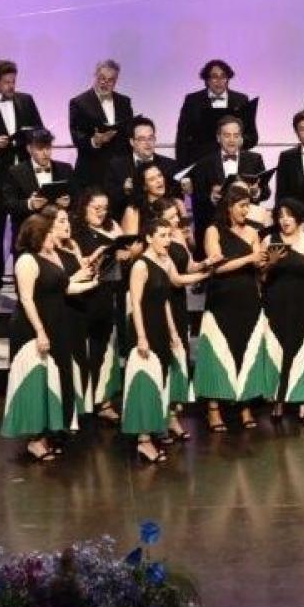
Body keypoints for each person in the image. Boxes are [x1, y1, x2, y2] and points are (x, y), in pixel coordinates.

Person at [1, 209, 96, 461]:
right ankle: (35, 439)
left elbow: (66, 287)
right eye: (49, 232)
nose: (55, 235)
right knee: (37, 382)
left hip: (58, 325)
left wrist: (95, 283)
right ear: (37, 235)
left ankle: (48, 433)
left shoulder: (53, 256)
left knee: (55, 380)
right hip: (33, 329)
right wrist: (40, 332)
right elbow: (27, 299)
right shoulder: (27, 260)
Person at [123, 217, 207, 464]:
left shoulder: (165, 259)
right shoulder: (140, 265)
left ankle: (155, 428)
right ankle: (143, 440)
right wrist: (141, 336)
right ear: (149, 237)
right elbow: (135, 303)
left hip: (161, 325)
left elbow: (175, 286)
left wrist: (172, 332)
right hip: (144, 327)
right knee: (144, 382)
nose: (167, 241)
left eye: (169, 235)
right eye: (162, 235)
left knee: (160, 380)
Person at [196, 184, 273, 431]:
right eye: (241, 206)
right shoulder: (213, 231)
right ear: (229, 207)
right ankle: (214, 409)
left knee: (245, 349)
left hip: (248, 298)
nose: (245, 211)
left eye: (248, 206)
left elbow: (258, 267)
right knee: (219, 352)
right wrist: (249, 258)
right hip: (222, 300)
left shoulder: (252, 232)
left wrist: (266, 263)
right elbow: (216, 266)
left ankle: (245, 404)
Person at [0, 59, 46, 301]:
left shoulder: (26, 100)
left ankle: (22, 280)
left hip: (23, 177)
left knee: (23, 232)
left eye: (13, 81)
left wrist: (27, 137)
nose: (11, 86)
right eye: (6, 82)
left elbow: (40, 131)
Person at [71, 188, 138, 418]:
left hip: (111, 293)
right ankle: (83, 401)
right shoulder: (77, 233)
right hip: (87, 295)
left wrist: (128, 255)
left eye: (104, 208)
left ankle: (105, 401)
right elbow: (79, 266)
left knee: (107, 348)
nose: (101, 213)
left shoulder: (113, 227)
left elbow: (123, 251)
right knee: (87, 349)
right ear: (84, 207)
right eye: (96, 208)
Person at [263, 198, 304, 422]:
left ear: (298, 217)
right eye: (280, 216)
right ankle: (278, 399)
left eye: (288, 215)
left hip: (303, 304)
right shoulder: (268, 241)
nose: (284, 220)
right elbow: (260, 277)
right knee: (278, 350)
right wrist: (269, 263)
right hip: (276, 304)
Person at [190, 114, 271, 235]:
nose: (232, 140)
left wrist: (256, 192)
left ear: (241, 138)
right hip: (218, 227)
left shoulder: (255, 159)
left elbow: (266, 192)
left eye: (236, 136)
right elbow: (197, 196)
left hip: (249, 226)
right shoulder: (204, 163)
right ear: (218, 137)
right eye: (227, 136)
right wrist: (211, 197)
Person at [175, 58, 259, 166]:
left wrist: (237, 142)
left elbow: (252, 136)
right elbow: (182, 138)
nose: (219, 81)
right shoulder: (192, 100)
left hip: (234, 162)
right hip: (202, 164)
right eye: (214, 76)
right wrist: (181, 168)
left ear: (228, 79)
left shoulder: (241, 100)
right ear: (207, 80)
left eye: (223, 76)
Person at [69, 59, 135, 190]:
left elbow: (129, 134)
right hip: (92, 170)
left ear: (116, 81)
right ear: (95, 76)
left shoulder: (124, 102)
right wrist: (95, 141)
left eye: (111, 80)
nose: (105, 83)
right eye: (102, 78)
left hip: (119, 172)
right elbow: (76, 136)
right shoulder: (79, 102)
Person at [4, 129, 74, 244]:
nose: (46, 153)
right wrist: (30, 204)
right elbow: (9, 205)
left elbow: (77, 198)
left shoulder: (65, 169)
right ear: (29, 149)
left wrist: (68, 202)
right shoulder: (15, 172)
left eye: (48, 148)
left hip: (59, 236)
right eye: (40, 149)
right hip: (29, 236)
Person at [106, 116, 180, 219]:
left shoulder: (169, 165)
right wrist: (125, 191)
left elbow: (177, 197)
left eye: (151, 138)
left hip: (162, 220)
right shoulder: (117, 166)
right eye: (142, 139)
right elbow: (110, 201)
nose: (148, 143)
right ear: (132, 142)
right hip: (127, 220)